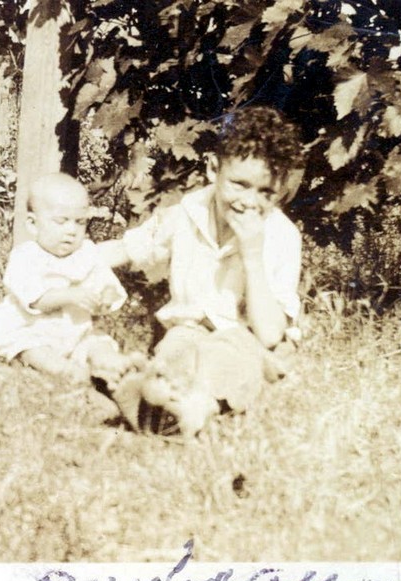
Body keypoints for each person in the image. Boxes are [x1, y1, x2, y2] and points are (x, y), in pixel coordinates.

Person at [105, 105, 306, 435]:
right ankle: (153, 392)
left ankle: (199, 406)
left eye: (266, 192)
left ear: (280, 189)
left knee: (230, 357)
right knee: (177, 345)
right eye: (239, 184)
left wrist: (252, 256)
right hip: (190, 329)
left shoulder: (281, 236)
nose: (250, 202)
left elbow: (270, 335)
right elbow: (130, 249)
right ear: (213, 169)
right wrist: (61, 259)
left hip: (248, 343)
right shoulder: (186, 213)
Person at [0, 172, 138, 387]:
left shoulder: (87, 254)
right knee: (33, 350)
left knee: (98, 343)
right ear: (33, 224)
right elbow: (36, 300)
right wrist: (70, 295)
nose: (71, 231)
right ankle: (64, 370)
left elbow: (106, 284)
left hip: (76, 333)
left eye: (80, 222)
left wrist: (105, 297)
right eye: (61, 221)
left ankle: (114, 367)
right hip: (32, 330)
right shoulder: (26, 257)